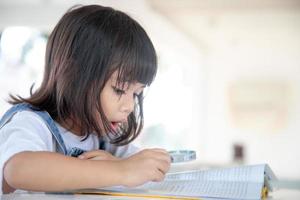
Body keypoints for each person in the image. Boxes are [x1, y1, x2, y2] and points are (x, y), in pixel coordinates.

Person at [0, 5, 171, 194]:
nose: (130, 106)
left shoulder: (104, 138)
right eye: (119, 89)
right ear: (73, 75)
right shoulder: (31, 124)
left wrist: (127, 164)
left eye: (136, 93)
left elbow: (143, 168)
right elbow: (19, 170)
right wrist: (120, 170)